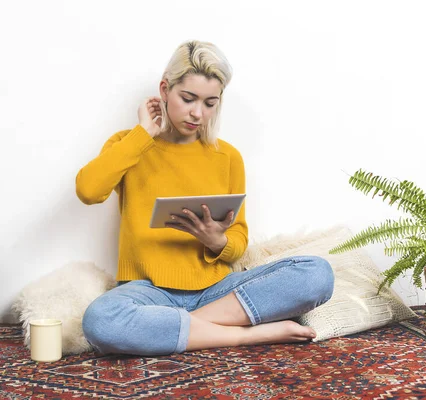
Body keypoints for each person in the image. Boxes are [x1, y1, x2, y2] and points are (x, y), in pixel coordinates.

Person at [76, 40, 334, 356]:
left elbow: (239, 239)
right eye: (188, 99)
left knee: (317, 274)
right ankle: (244, 336)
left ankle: (182, 329)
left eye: (210, 103)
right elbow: (88, 190)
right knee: (100, 320)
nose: (198, 113)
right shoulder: (130, 144)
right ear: (164, 89)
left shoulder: (227, 157)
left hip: (218, 292)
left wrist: (216, 241)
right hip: (148, 292)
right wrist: (144, 133)